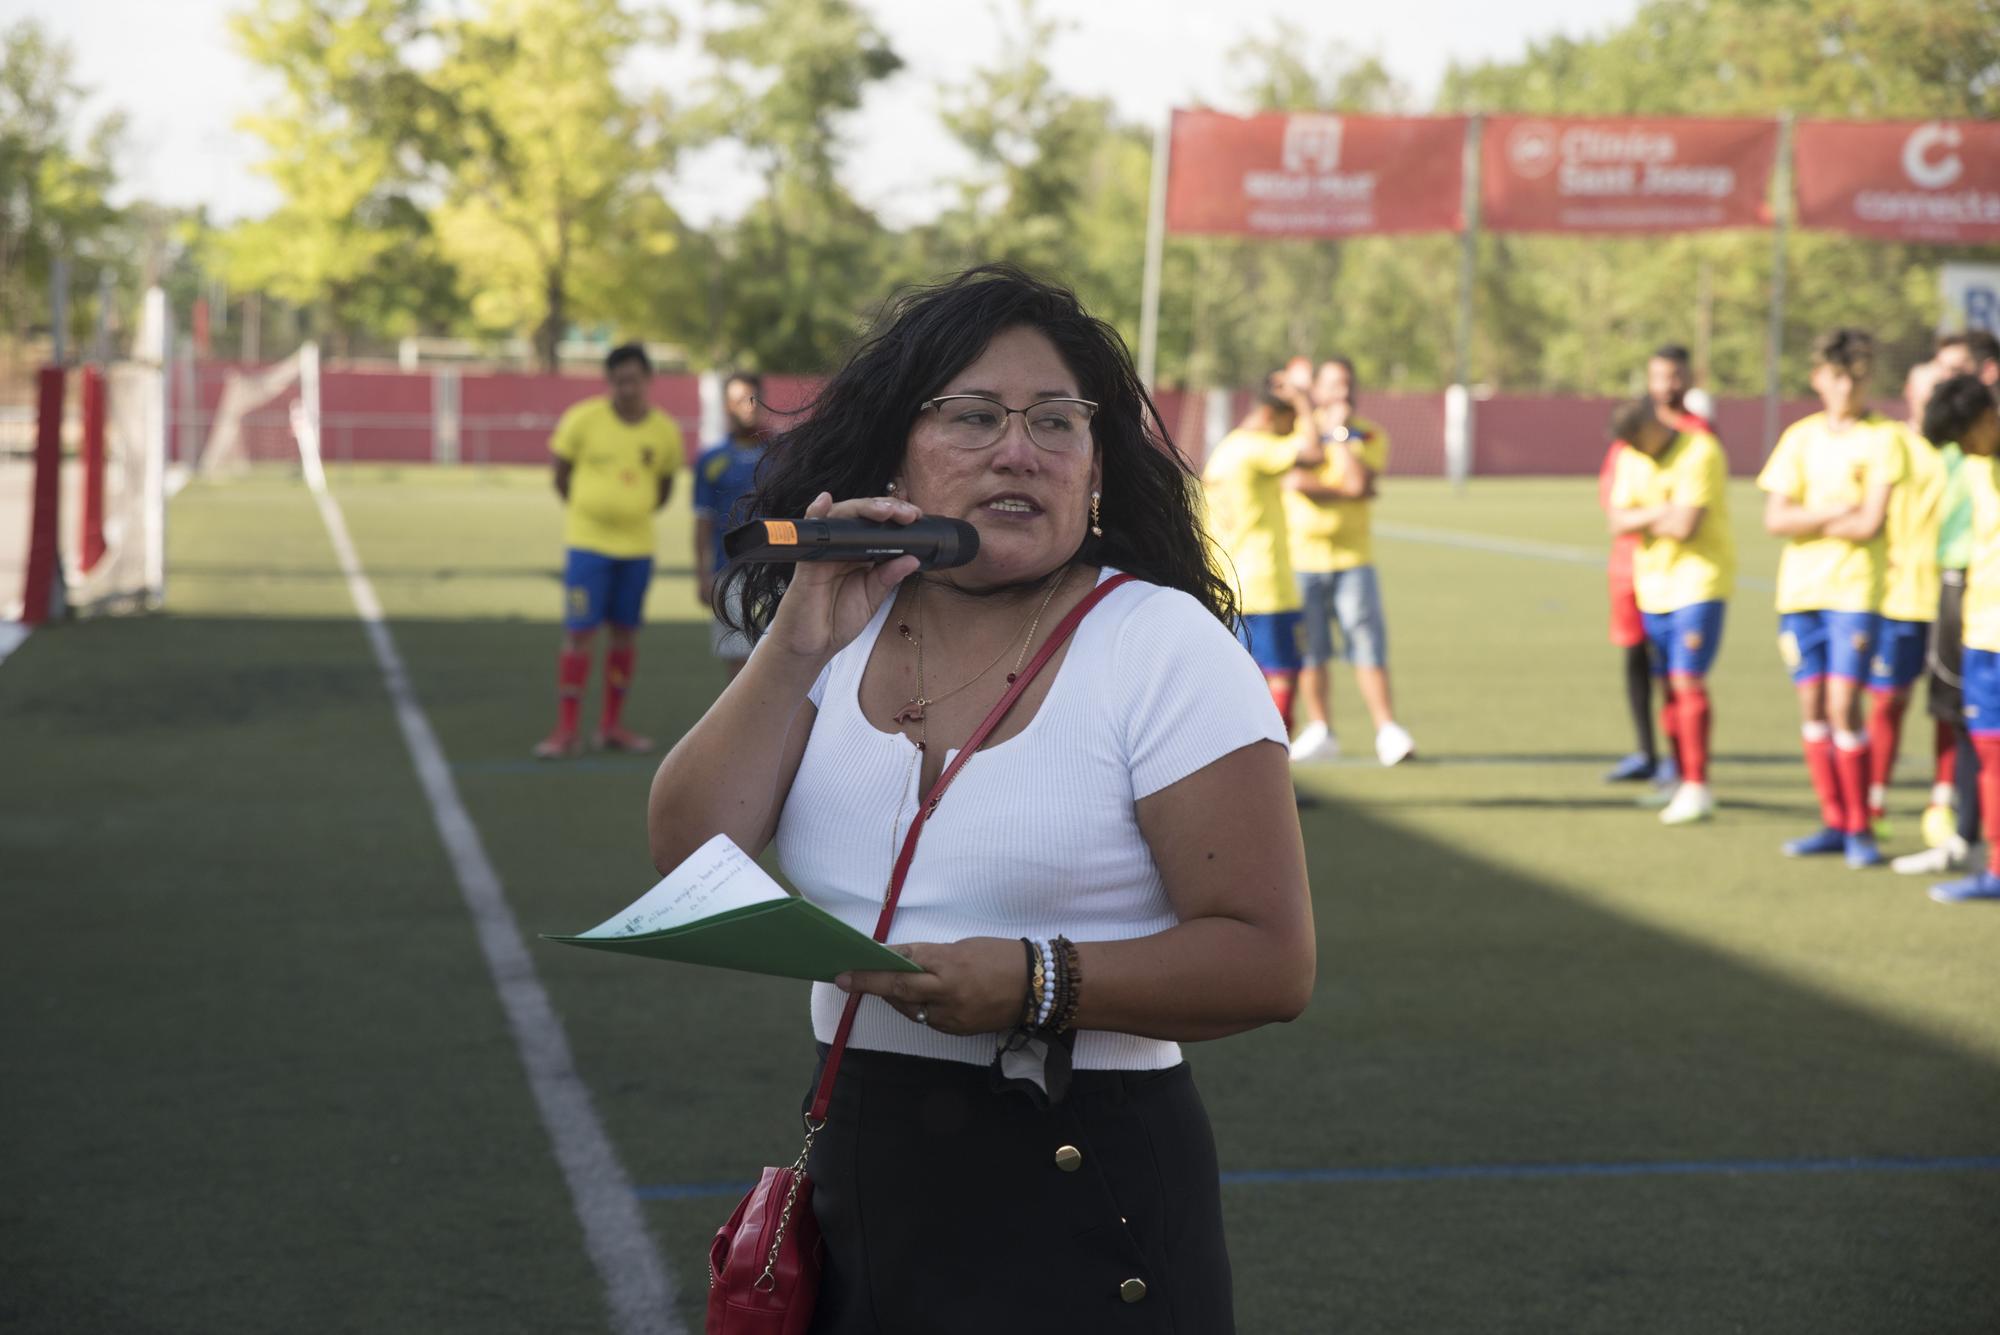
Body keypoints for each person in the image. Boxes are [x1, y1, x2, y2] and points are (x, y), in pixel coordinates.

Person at [646, 265, 1316, 1330]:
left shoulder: (1160, 646)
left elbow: (1269, 961)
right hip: (866, 1165)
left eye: (1055, 421)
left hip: (1084, 1172)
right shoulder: (840, 626)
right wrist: (797, 634)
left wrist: (1031, 981)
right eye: (972, 417)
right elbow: (691, 857)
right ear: (895, 451)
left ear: (1095, 467)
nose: (1017, 450)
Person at [1757, 328, 1906, 868]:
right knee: (1813, 707)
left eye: (1857, 377)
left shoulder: (1884, 439)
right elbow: (1775, 518)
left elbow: (1869, 522)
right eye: (1838, 376)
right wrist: (1831, 511)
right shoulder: (1799, 438)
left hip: (1853, 593)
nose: (1848, 387)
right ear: (1819, 379)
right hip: (1799, 593)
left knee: (1845, 705)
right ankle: (1834, 821)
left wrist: (1810, 517)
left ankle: (1862, 828)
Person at [535, 343, 683, 759]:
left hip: (637, 549)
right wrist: (593, 511)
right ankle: (566, 730)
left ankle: (611, 726)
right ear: (609, 382)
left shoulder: (664, 431)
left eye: (634, 379)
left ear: (648, 381)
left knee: (624, 634)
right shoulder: (582, 420)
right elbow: (560, 475)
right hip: (587, 547)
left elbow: (665, 487)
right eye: (619, 380)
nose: (627, 388)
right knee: (579, 634)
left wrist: (630, 511)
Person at [1604, 398, 1734, 825]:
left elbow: (1685, 526)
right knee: (1667, 686)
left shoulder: (1701, 450)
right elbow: (1617, 520)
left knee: (1687, 679)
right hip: (1652, 585)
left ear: (1654, 424)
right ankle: (1679, 778)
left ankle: (1698, 785)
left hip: (1698, 583)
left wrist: (1645, 517)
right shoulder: (1630, 456)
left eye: (1641, 442)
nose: (1640, 453)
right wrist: (1663, 511)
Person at [1284, 357, 1416, 767]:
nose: (1341, 392)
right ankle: (1321, 728)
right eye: (1332, 384)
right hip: (1302, 556)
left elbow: (1358, 480)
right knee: (1311, 650)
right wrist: (1343, 487)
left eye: (1347, 384)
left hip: (1354, 558)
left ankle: (1387, 730)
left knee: (1366, 644)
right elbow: (1295, 481)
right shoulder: (1298, 431)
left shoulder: (1367, 433)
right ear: (1317, 389)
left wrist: (1339, 439)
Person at [1896, 357, 1984, 874]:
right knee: (1965, 718)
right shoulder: (1953, 450)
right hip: (1954, 585)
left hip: (1977, 591)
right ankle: (1966, 838)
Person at [1603, 345, 1707, 787]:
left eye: (1677, 376)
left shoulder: (1698, 436)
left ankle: (1681, 762)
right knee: (1635, 657)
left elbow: (1687, 516)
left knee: (1677, 669)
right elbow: (1613, 504)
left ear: (1690, 378)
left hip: (1680, 573)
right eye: (1661, 376)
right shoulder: (1633, 433)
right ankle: (1647, 751)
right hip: (1631, 567)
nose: (1669, 385)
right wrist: (1653, 513)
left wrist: (1646, 514)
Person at [1915, 373, 2000, 902]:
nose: (1964, 449)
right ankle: (1996, 868)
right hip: (1983, 631)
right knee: (1990, 751)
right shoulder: (1973, 465)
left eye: (1966, 436)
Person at [1202, 375, 1325, 731]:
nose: (1293, 433)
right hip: (1266, 584)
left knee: (1245, 680)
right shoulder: (1257, 448)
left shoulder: (1227, 449)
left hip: (1230, 583)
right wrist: (1304, 403)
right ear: (1271, 416)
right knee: (1282, 675)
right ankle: (1274, 763)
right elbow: (1314, 455)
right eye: (1290, 424)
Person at [1863, 369, 1949, 834]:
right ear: (1908, 393)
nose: (1933, 395)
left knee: (1948, 707)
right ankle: (1874, 795)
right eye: (1927, 386)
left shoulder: (1963, 450)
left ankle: (1943, 801)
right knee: (1888, 701)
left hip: (1953, 598)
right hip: (1898, 597)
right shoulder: (1892, 443)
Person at [693, 371, 770, 681]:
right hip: (730, 570)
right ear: (725, 406)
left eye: (752, 399)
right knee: (738, 662)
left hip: (778, 569)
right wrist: (702, 575)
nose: (747, 407)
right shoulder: (711, 459)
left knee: (784, 656)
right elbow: (702, 521)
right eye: (739, 400)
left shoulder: (783, 454)